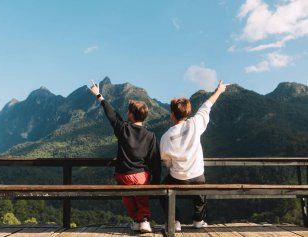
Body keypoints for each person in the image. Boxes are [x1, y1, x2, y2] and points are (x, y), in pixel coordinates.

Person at [88, 80, 161, 233]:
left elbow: (112, 114)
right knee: (142, 198)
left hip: (124, 175)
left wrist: (99, 96)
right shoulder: (151, 136)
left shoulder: (123, 129)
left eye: (128, 111)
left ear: (131, 115)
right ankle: (144, 220)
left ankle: (136, 220)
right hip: (142, 176)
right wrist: (156, 179)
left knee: (128, 198)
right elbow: (154, 160)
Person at [159, 80, 229, 231]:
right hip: (197, 175)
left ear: (172, 114)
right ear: (188, 112)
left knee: (162, 191)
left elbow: (166, 160)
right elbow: (206, 106)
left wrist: (174, 167)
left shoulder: (166, 137)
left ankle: (174, 221)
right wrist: (219, 91)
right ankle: (198, 220)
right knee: (201, 191)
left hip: (177, 177)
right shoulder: (195, 124)